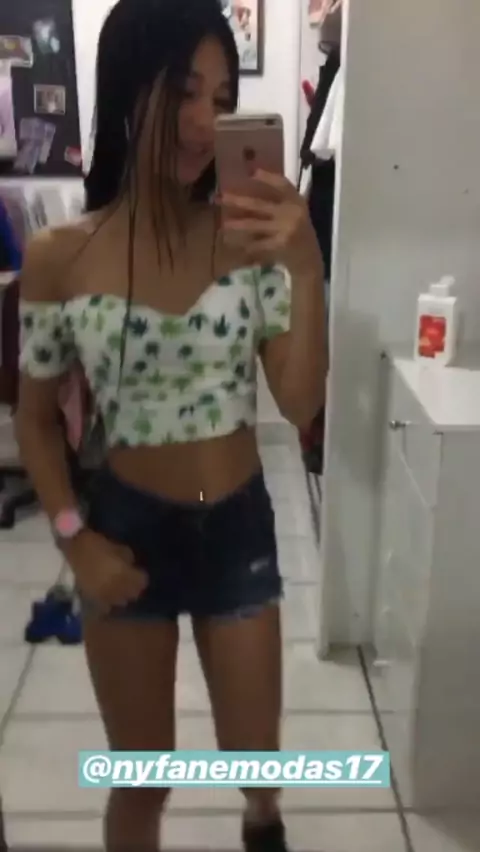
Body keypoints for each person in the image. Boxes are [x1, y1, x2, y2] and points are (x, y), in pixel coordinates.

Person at [15, 0, 327, 850]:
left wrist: (305, 267)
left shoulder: (249, 243)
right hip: (126, 532)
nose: (204, 121)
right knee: (141, 778)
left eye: (222, 100)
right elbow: (35, 423)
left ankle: (262, 822)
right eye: (185, 92)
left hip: (237, 528)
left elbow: (301, 405)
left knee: (259, 768)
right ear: (129, 85)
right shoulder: (60, 257)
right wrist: (75, 541)